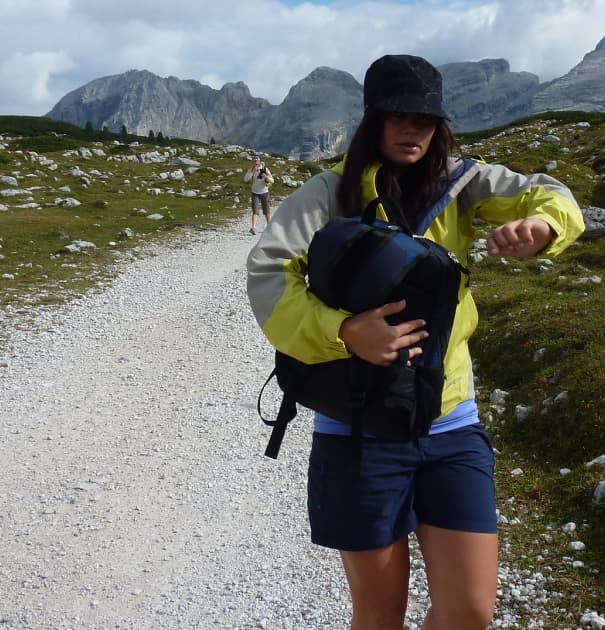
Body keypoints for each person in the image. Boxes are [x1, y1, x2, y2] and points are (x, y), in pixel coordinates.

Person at [245, 54, 584, 629]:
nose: (412, 130)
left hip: (451, 424)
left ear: (440, 125)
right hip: (358, 431)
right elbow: (268, 273)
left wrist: (544, 226)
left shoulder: (464, 186)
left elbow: (547, 193)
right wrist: (345, 332)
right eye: (398, 116)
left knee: (470, 612)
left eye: (425, 119)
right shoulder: (329, 193)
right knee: (379, 614)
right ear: (372, 120)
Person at [244, 154, 275, 234]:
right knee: (255, 210)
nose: (255, 160)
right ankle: (253, 228)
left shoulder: (265, 169)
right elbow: (245, 179)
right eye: (254, 159)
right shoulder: (251, 169)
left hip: (264, 192)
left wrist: (266, 177)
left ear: (260, 160)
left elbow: (272, 180)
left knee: (266, 210)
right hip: (255, 193)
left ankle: (270, 227)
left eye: (257, 159)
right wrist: (252, 172)